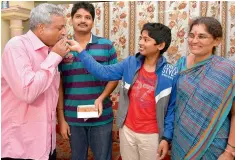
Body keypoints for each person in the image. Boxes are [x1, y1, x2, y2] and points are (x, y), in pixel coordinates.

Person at [67, 22, 178, 160]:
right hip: (127, 131)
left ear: (160, 45)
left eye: (146, 39)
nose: (141, 42)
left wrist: (166, 138)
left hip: (152, 135)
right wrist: (81, 51)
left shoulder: (170, 73)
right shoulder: (130, 63)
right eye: (141, 38)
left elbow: (172, 109)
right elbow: (103, 72)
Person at [1, 3, 69, 160]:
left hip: (46, 145)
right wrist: (55, 57)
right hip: (21, 147)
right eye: (60, 28)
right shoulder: (16, 46)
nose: (64, 32)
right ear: (41, 28)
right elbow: (28, 92)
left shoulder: (50, 51)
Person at [56, 2, 118, 160]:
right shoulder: (62, 47)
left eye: (87, 17)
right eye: (78, 16)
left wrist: (101, 97)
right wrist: (61, 119)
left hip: (101, 116)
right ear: (71, 20)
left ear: (93, 21)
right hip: (72, 118)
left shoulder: (106, 45)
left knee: (103, 157)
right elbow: (58, 85)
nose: (83, 20)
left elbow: (114, 77)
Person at [172, 17, 235, 159]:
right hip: (180, 138)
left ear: (217, 41)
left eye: (202, 36)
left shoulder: (228, 70)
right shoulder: (180, 65)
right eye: (192, 35)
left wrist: (229, 151)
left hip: (213, 144)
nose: (194, 41)